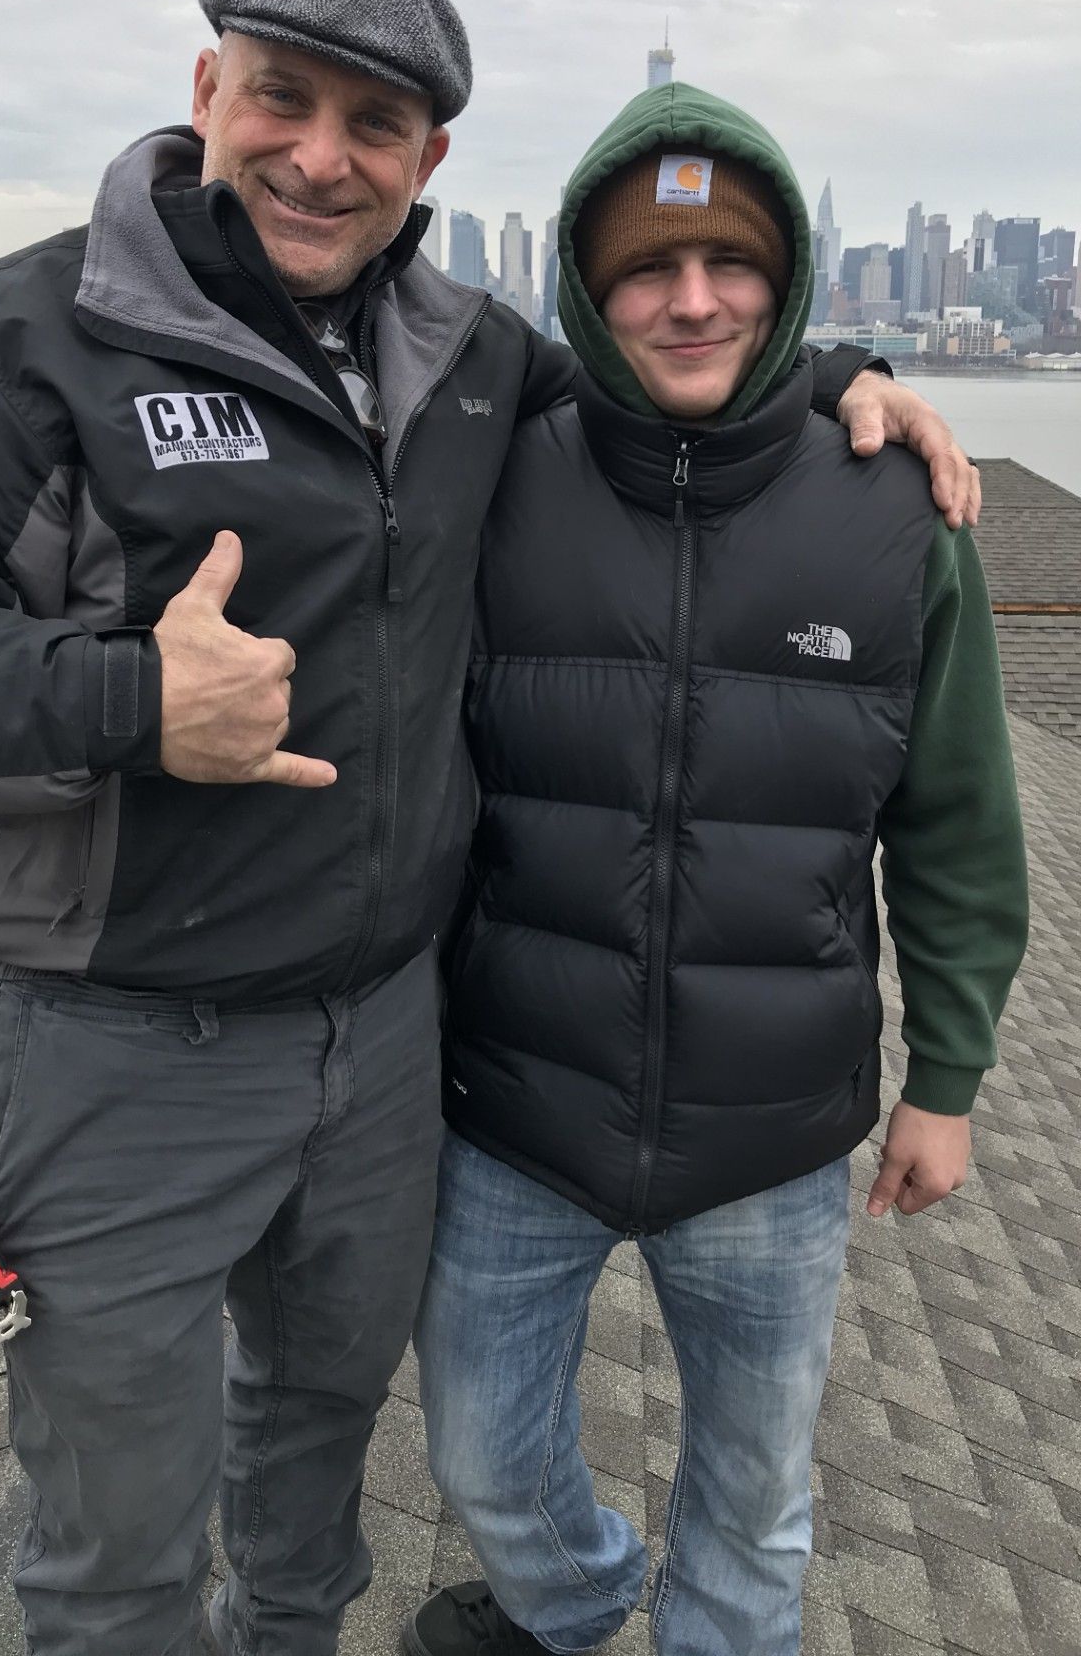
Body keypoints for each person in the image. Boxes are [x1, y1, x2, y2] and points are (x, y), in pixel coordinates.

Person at [0, 0, 978, 1656]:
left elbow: (674, 386)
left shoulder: (473, 356)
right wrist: (130, 700)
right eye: (284, 98)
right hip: (122, 1037)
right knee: (114, 1527)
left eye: (375, 124)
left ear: (431, 159)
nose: (321, 158)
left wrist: (847, 381)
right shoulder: (6, 344)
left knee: (315, 1460)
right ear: (208, 88)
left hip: (393, 1035)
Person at [405, 83, 1028, 1656]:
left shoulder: (899, 510)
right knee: (479, 1459)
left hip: (772, 1132)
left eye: (731, 262)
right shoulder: (498, 479)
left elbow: (958, 818)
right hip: (514, 1103)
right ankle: (574, 1594)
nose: (692, 301)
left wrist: (948, 1079)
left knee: (755, 1506)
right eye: (646, 270)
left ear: (789, 279)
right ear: (588, 293)